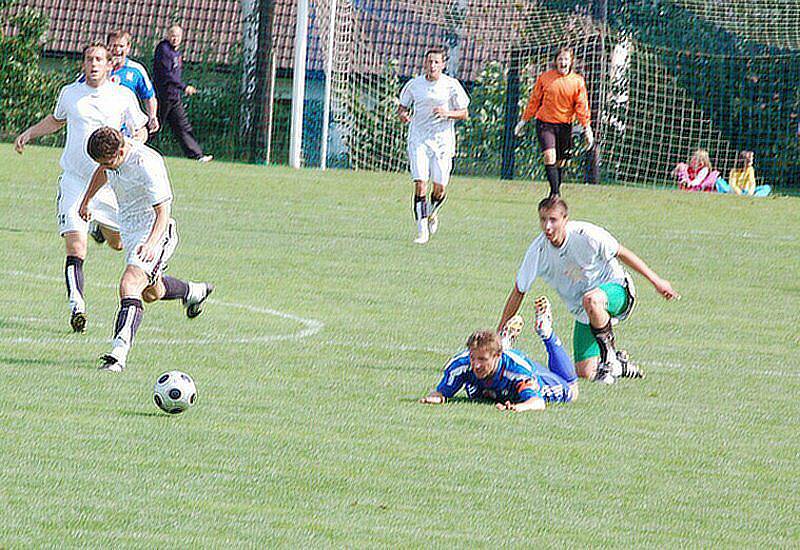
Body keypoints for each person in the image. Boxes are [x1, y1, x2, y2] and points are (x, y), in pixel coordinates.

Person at [14, 42, 149, 333]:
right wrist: (29, 133)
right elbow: (56, 120)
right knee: (76, 246)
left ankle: (103, 228)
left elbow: (142, 127)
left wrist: (135, 143)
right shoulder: (70, 94)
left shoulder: (122, 96)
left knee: (118, 244)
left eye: (99, 59)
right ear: (83, 64)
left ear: (110, 65)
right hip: (75, 180)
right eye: (89, 59)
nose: (93, 64)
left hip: (109, 184)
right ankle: (77, 304)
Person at [497, 196, 679, 383]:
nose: (547, 227)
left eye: (553, 220)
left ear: (565, 219)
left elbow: (622, 252)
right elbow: (519, 290)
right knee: (585, 372)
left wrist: (657, 281)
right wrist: (499, 332)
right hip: (585, 311)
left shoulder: (587, 234)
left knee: (592, 299)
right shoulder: (538, 251)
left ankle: (609, 360)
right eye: (543, 220)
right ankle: (620, 363)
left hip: (618, 290)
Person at [79, 126, 214, 372]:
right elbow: (102, 170)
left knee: (129, 285)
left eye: (110, 162)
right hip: (130, 230)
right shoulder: (111, 158)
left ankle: (117, 354)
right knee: (151, 292)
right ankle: (193, 291)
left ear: (121, 150)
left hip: (155, 233)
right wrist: (87, 199)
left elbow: (163, 212)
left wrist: (152, 243)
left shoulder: (147, 163)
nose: (107, 167)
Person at [420, 296, 578, 412]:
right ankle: (504, 342)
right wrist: (435, 397)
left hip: (538, 378)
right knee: (475, 394)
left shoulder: (518, 371)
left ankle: (546, 332)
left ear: (497, 356)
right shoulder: (462, 364)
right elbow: (441, 392)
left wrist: (519, 407)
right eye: (473, 358)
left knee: (572, 391)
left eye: (482, 359)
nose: (476, 364)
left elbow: (537, 403)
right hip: (494, 385)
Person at [398, 47, 470, 244]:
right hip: (419, 139)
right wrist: (404, 115)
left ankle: (432, 211)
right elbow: (402, 107)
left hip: (442, 142)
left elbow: (464, 113)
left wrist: (447, 114)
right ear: (425, 63)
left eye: (436, 62)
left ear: (443, 65)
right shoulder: (415, 85)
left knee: (439, 188)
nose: (432, 66)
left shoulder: (451, 85)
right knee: (420, 183)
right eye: (429, 62)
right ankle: (422, 231)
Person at [514, 47, 594, 197]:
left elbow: (581, 106)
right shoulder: (545, 78)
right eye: (560, 59)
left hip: (564, 125)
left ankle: (556, 189)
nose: (563, 62)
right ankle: (555, 194)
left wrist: (587, 128)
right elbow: (534, 101)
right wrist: (523, 121)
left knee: (560, 161)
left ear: (571, 62)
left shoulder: (577, 81)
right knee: (549, 156)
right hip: (545, 123)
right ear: (555, 61)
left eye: (566, 59)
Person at [152, 24, 212, 162]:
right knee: (154, 124)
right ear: (167, 35)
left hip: (174, 97)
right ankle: (136, 147)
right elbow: (166, 75)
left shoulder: (176, 53)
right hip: (163, 96)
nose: (175, 39)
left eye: (178, 36)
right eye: (172, 35)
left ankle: (197, 155)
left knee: (182, 126)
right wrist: (184, 87)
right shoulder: (163, 50)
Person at [107, 29, 160, 134]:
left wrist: (152, 116)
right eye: (113, 46)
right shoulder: (99, 68)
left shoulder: (136, 69)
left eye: (121, 46)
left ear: (128, 47)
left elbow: (149, 96)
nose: (117, 50)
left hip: (125, 128)